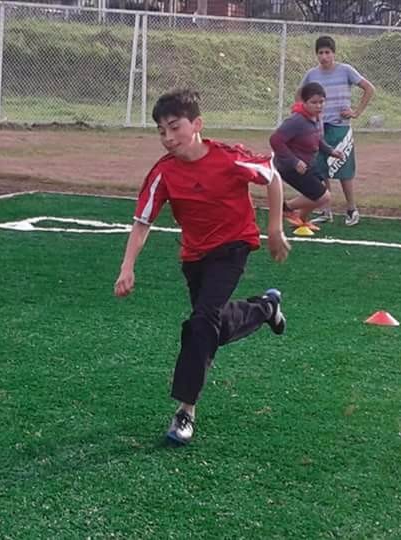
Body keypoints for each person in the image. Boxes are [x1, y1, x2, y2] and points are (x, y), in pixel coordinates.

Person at [113, 89, 291, 445]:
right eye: (161, 131)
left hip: (233, 247)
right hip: (194, 257)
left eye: (174, 127)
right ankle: (265, 308)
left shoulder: (229, 158)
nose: (167, 137)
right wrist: (127, 267)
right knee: (209, 326)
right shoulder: (164, 172)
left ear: (196, 125)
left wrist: (275, 228)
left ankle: (185, 412)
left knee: (201, 321)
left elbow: (271, 176)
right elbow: (142, 221)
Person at [299, 35, 375, 226]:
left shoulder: (345, 70)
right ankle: (326, 209)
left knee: (344, 170)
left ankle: (351, 209)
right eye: (320, 53)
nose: (324, 56)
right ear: (316, 54)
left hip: (340, 128)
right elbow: (300, 95)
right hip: (318, 128)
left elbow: (368, 88)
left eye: (327, 52)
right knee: (320, 169)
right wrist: (306, 114)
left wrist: (356, 112)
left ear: (334, 53)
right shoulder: (312, 74)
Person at [270, 82, 343, 227]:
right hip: (289, 167)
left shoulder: (316, 118)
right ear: (304, 102)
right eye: (313, 102)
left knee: (316, 194)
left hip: (308, 164)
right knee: (323, 197)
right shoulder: (296, 121)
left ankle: (301, 221)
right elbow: (275, 140)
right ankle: (285, 207)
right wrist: (294, 162)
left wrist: (330, 151)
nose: (318, 106)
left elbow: (317, 139)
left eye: (321, 102)